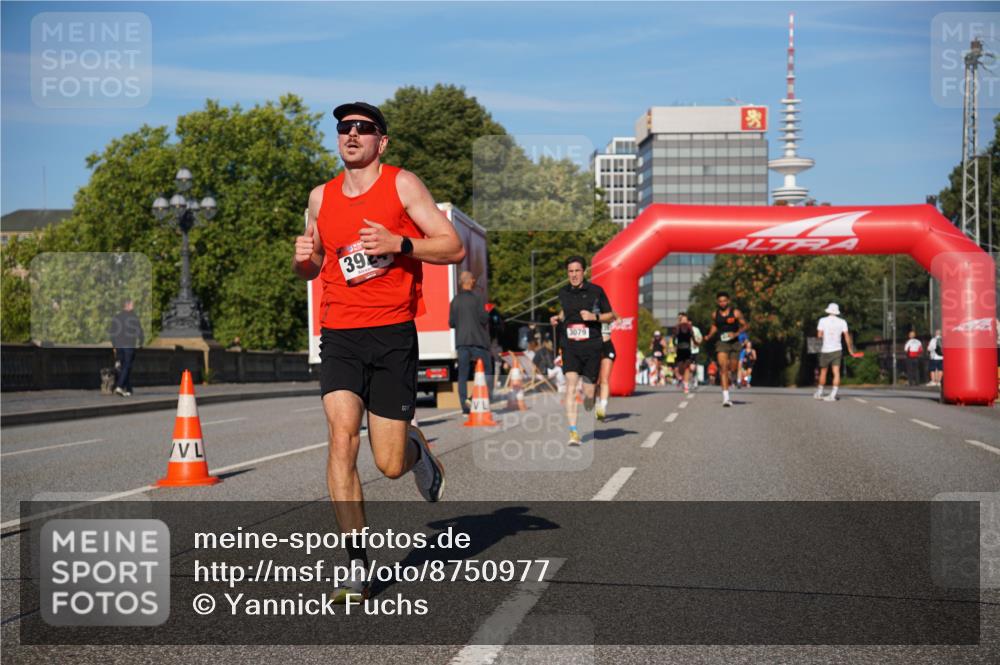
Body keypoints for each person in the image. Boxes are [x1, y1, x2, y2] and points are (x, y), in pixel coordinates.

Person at [292, 100, 465, 603]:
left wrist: (400, 243)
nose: (352, 135)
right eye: (344, 127)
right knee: (341, 439)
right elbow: (316, 263)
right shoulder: (320, 197)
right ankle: (357, 567)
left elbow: (451, 247)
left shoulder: (402, 184)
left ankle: (417, 451)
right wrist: (303, 261)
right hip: (340, 333)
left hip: (392, 335)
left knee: (388, 464)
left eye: (363, 129)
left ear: (380, 142)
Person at [549, 256, 614, 445]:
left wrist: (594, 317)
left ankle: (593, 402)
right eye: (570, 271)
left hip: (592, 346)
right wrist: (558, 318)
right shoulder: (563, 292)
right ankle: (573, 432)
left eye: (577, 271)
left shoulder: (596, 291)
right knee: (570, 385)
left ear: (583, 272)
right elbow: (566, 311)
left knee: (588, 392)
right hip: (569, 345)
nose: (574, 275)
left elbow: (610, 315)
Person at [450, 271, 493, 414]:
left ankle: (464, 407)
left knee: (462, 374)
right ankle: (473, 397)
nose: (475, 280)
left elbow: (452, 323)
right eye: (473, 278)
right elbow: (484, 319)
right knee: (487, 371)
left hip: (462, 342)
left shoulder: (455, 300)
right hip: (478, 341)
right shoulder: (478, 298)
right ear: (470, 281)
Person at [703, 291, 748, 407]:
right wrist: (709, 335)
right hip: (721, 342)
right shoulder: (715, 314)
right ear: (717, 302)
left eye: (724, 301)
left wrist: (736, 333)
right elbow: (714, 326)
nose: (722, 303)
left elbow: (746, 325)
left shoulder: (736, 313)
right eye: (720, 301)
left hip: (734, 343)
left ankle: (733, 376)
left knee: (732, 368)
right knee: (723, 368)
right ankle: (726, 398)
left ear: (728, 301)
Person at [814, 302, 857, 401]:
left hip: (825, 349)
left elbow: (819, 335)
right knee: (836, 372)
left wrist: (818, 348)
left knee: (823, 371)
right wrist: (850, 350)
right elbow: (846, 336)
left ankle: (819, 392)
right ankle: (833, 394)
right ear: (837, 312)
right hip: (837, 349)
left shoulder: (822, 321)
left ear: (828, 310)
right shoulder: (842, 322)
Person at [108, 298, 144, 397]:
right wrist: (141, 342)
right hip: (129, 345)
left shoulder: (117, 317)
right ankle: (119, 386)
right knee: (127, 366)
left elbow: (112, 333)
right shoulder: (133, 317)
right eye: (132, 304)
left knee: (123, 367)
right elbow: (139, 331)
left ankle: (128, 388)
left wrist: (114, 345)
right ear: (127, 305)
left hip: (119, 345)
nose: (133, 306)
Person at [595, 313, 620, 421]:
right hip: (593, 347)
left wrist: (617, 318)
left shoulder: (607, 312)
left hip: (607, 346)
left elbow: (616, 316)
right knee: (595, 381)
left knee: (604, 379)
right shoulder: (587, 311)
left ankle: (602, 407)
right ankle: (597, 404)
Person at [674, 312, 695, 394]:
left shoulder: (689, 327)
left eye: (685, 319)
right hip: (680, 349)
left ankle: (686, 386)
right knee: (680, 369)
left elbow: (692, 336)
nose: (684, 321)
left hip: (687, 349)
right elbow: (674, 337)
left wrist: (696, 343)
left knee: (687, 367)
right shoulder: (677, 327)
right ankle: (682, 379)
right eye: (682, 319)